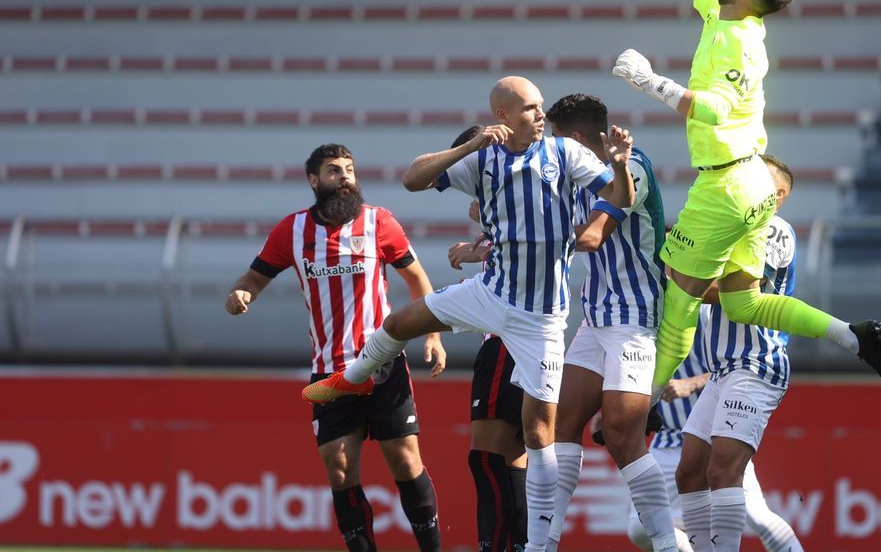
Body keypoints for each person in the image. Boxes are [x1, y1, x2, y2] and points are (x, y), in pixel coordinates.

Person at [301, 76, 636, 552]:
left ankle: (540, 544)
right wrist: (473, 145)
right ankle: (352, 378)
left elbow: (618, 195)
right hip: (491, 294)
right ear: (502, 116)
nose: (540, 115)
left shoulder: (564, 154)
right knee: (398, 325)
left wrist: (618, 171)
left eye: (540, 107)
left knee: (540, 432)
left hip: (541, 317)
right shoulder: (484, 159)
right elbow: (412, 178)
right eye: (528, 108)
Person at [611, 0, 881, 401]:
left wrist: (648, 82)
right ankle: (850, 336)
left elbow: (717, 110)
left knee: (679, 300)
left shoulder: (739, 44)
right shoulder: (725, 12)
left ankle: (644, 401)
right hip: (753, 183)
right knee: (743, 303)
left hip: (725, 185)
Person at [224, 143, 446, 552]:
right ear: (314, 181)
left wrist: (431, 333)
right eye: (333, 171)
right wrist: (240, 295)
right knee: (341, 472)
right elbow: (252, 279)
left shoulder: (379, 222)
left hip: (383, 362)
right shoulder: (291, 231)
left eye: (349, 169)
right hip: (331, 374)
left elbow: (417, 280)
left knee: (405, 462)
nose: (344, 177)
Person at [540, 94, 678, 552]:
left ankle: (667, 545)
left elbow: (595, 235)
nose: (552, 147)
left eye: (557, 139)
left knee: (621, 435)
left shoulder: (632, 164)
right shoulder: (572, 171)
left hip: (635, 318)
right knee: (560, 425)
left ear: (577, 139)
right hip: (596, 315)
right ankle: (543, 543)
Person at [672, 155, 806, 552]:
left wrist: (681, 277)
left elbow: (733, 295)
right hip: (724, 368)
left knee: (722, 472)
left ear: (778, 196)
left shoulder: (776, 231)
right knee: (689, 473)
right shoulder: (734, 224)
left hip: (756, 363)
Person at [627, 339, 803, 552]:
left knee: (758, 517)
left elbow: (734, 364)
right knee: (640, 528)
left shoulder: (705, 312)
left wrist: (691, 382)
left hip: (714, 436)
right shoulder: (650, 314)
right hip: (667, 437)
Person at [447, 125, 529, 552]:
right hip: (530, 340)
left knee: (486, 457)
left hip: (505, 339)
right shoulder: (516, 199)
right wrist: (482, 247)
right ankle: (524, 545)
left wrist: (480, 243)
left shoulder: (510, 195)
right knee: (516, 455)